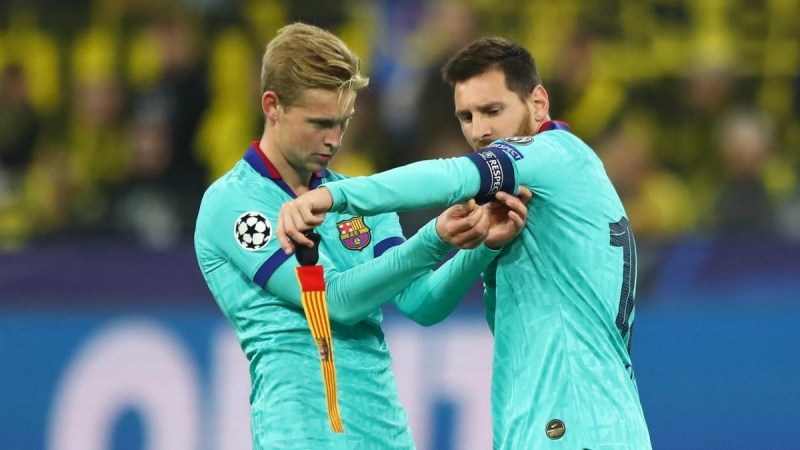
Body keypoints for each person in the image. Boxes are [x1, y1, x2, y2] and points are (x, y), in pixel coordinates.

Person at [277, 37, 652, 449]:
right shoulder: (537, 201)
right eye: (466, 116)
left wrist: (334, 196)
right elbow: (423, 305)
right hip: (574, 421)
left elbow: (452, 176)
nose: (479, 131)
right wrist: (477, 246)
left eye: (493, 111)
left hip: (570, 422)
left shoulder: (553, 154)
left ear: (538, 103)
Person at [194, 24, 530, 450]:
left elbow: (421, 302)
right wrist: (433, 238)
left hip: (386, 435)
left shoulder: (358, 197)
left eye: (343, 122)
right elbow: (333, 300)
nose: (334, 140)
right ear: (272, 106)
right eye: (320, 123)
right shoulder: (234, 203)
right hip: (301, 438)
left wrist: (482, 243)